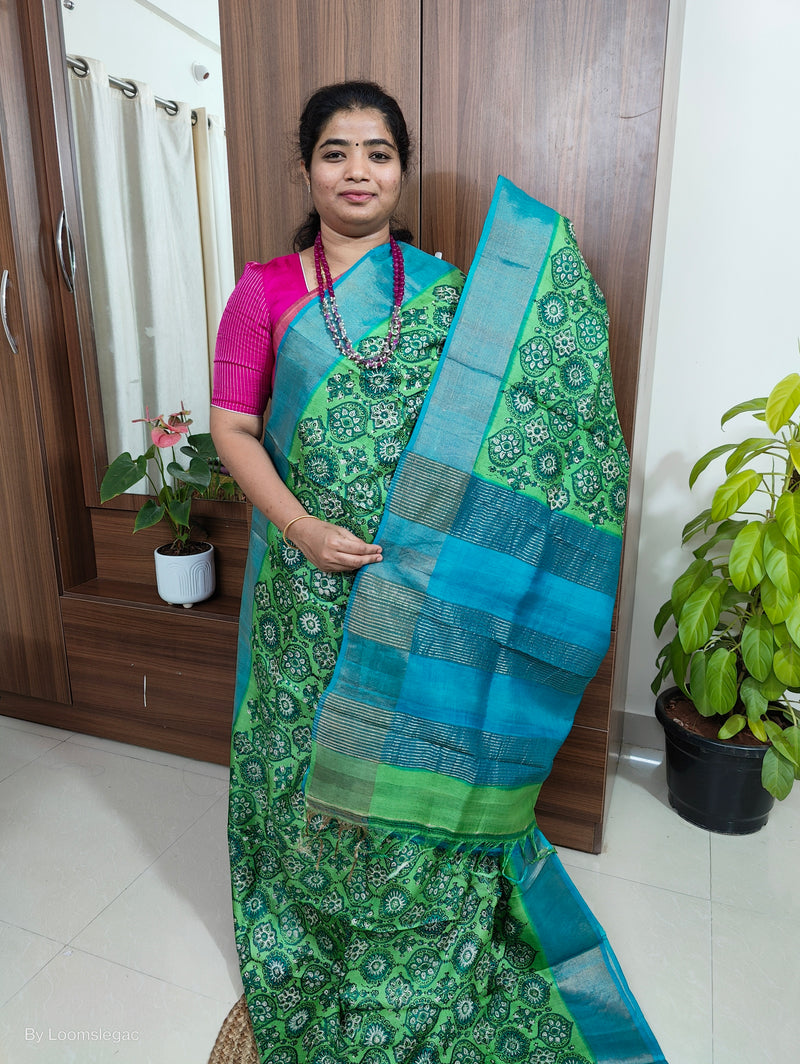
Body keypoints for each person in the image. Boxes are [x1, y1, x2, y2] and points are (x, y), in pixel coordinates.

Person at [212, 81, 665, 1064]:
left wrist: (555, 282)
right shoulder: (263, 293)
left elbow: (519, 419)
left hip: (423, 594)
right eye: (336, 152)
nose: (358, 171)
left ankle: (402, 922)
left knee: (409, 752)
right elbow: (232, 428)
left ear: (400, 169)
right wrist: (297, 526)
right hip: (304, 586)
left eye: (377, 152)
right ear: (306, 170)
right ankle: (309, 924)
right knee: (301, 760)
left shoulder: (449, 294)